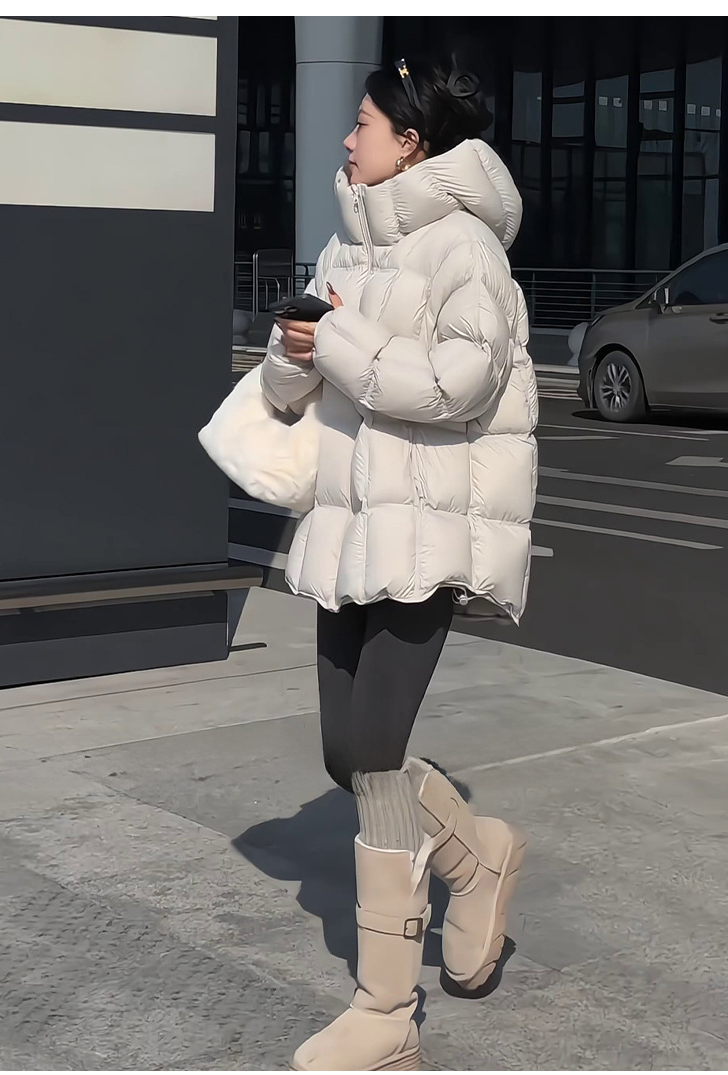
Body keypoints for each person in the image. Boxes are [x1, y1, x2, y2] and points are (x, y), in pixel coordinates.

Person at [260, 54, 538, 1072]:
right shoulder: (349, 242)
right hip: (350, 532)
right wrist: (294, 354)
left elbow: (457, 383)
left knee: (376, 753)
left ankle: (386, 1012)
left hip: (424, 533)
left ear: (411, 143)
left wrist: (335, 341)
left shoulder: (467, 247)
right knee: (346, 758)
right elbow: (292, 390)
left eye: (364, 124)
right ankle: (478, 859)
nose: (347, 140)